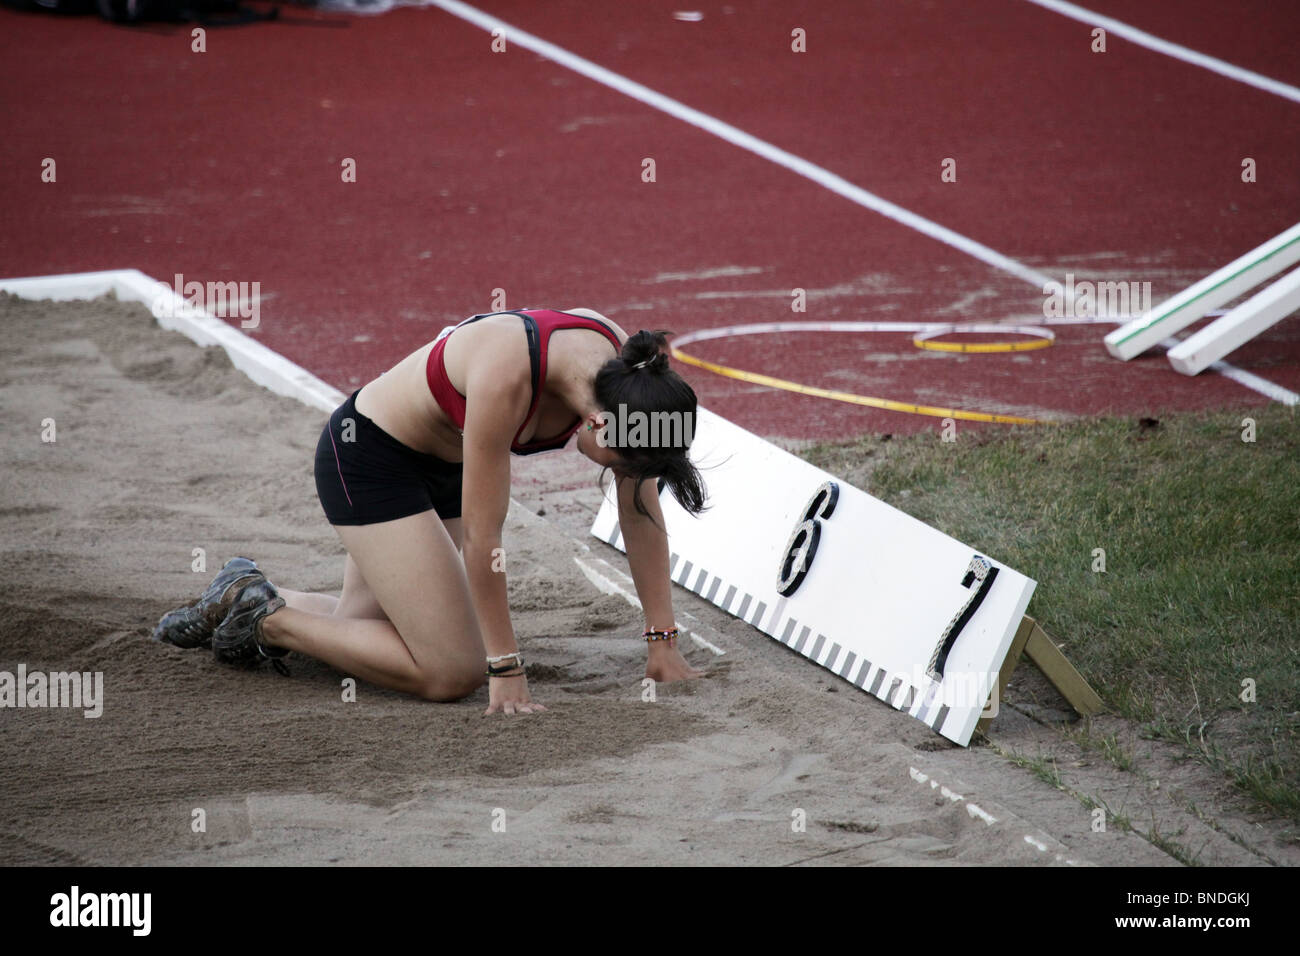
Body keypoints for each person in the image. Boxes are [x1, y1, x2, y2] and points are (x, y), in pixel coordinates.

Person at [153, 308, 708, 715]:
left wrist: (663, 642)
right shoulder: (507, 376)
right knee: (452, 670)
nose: (628, 481)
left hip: (447, 464)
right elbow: (485, 542)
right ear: (599, 423)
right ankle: (269, 622)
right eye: (625, 466)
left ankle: (243, 590)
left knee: (363, 633)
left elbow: (640, 510)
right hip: (371, 460)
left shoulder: (633, 387)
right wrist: (505, 668)